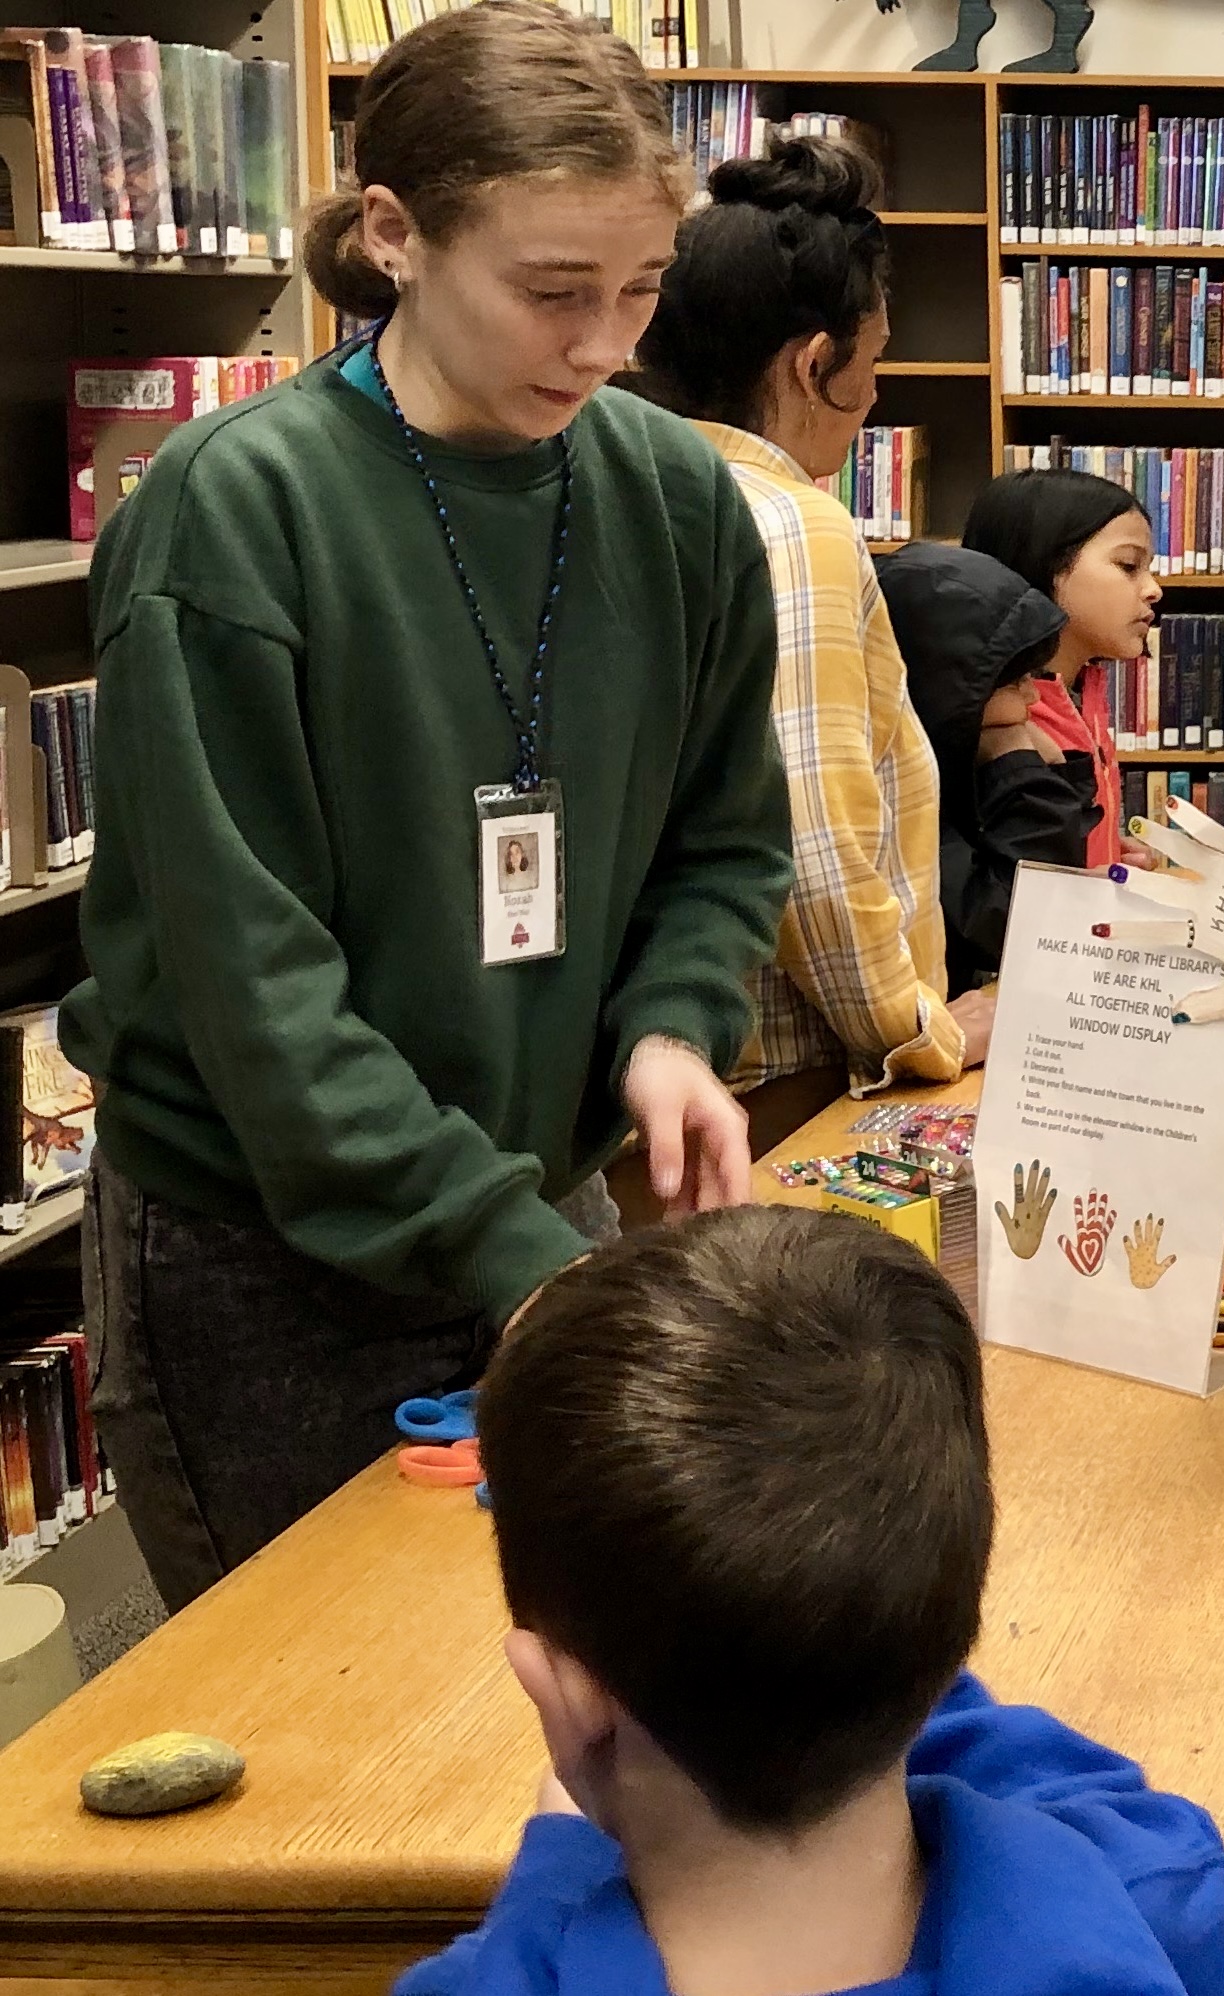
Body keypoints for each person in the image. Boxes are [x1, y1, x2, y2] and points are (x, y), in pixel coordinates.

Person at [64, 1, 793, 1611]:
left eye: (642, 292)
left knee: (558, 1691)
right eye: (552, 294)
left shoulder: (680, 498)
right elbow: (254, 992)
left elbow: (725, 839)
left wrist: (672, 1028)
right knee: (335, 1759)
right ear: (393, 234)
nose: (605, 346)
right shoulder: (234, 511)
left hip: (538, 1206)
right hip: (266, 1265)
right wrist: (521, 1254)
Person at [396, 1205, 1224, 1996]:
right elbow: (1058, 1781)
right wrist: (871, 1617)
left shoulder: (494, 1974)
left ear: (564, 1698)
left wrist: (557, 1873)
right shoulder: (1148, 1888)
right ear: (941, 1642)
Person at [637, 134, 983, 1153]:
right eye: (870, 366)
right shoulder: (792, 526)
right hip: (782, 1082)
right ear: (812, 363)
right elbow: (813, 837)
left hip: (657, 1065)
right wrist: (923, 1031)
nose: (876, 399)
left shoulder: (628, 488)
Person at [880, 543, 1092, 994]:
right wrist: (1019, 764)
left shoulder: (956, 766)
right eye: (1015, 682)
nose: (1033, 699)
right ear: (950, 697)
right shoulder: (900, 801)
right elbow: (1018, 924)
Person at [960, 468, 1164, 871]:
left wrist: (1101, 852)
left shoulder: (1081, 692)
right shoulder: (998, 720)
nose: (1153, 588)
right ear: (1043, 563)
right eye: (1128, 565)